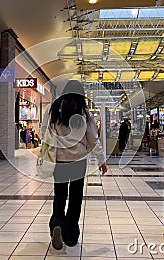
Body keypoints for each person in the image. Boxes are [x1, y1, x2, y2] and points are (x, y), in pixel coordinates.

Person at [48, 80, 107, 250]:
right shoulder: (84, 112)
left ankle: (57, 223)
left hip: (59, 161)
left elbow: (46, 132)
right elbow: (93, 139)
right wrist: (101, 161)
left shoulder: (55, 110)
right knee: (75, 198)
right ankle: (71, 235)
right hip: (78, 162)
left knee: (59, 196)